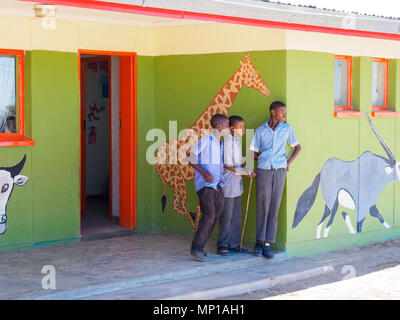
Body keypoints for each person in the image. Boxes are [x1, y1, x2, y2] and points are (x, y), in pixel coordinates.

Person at [250, 101, 301, 259]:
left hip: (279, 171)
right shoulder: (260, 130)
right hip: (264, 170)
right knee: (262, 205)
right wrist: (262, 159)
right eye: (282, 112)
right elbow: (252, 151)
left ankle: (268, 243)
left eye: (285, 112)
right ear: (273, 112)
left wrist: (287, 163)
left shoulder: (287, 129)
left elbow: (297, 147)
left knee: (274, 206)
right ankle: (259, 242)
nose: (284, 115)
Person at [189, 113, 230, 262]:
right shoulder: (205, 141)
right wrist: (204, 173)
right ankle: (196, 247)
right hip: (206, 185)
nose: (228, 128)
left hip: (217, 185)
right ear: (219, 127)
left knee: (215, 215)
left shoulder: (221, 143)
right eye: (226, 125)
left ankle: (201, 246)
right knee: (209, 215)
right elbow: (191, 158)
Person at [217, 115, 255, 255]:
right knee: (227, 216)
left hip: (236, 185)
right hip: (228, 185)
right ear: (232, 128)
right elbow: (228, 165)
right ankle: (222, 244)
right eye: (241, 127)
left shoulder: (236, 141)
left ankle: (233, 244)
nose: (243, 130)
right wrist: (244, 173)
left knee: (236, 217)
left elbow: (238, 163)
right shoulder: (227, 142)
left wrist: (247, 170)